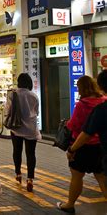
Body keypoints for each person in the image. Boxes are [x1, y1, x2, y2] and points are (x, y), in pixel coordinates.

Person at [57, 75, 107, 213]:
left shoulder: (82, 105)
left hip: (81, 146)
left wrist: (72, 149)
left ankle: (70, 204)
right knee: (102, 177)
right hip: (100, 146)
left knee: (77, 176)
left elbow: (74, 126)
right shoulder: (103, 101)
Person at [4, 73, 41, 192]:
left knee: (17, 151)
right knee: (31, 154)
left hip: (17, 128)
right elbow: (36, 112)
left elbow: (8, 109)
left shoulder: (13, 94)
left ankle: (18, 173)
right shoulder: (34, 96)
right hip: (31, 128)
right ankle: (30, 179)